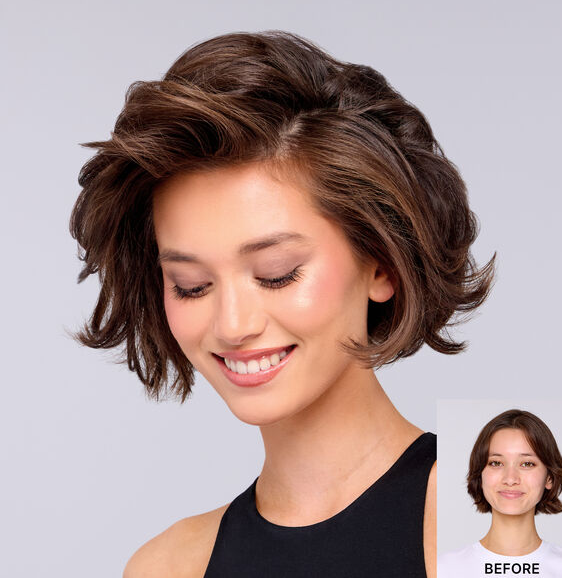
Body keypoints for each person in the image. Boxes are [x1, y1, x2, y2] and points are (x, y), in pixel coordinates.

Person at [70, 31, 494, 578]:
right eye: (191, 285)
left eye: (276, 274)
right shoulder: (168, 566)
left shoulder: (492, 523)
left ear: (382, 265)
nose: (233, 325)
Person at [438, 409, 562, 577]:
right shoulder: (442, 570)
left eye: (527, 464)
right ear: (480, 475)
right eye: (496, 463)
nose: (510, 479)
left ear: (549, 477)